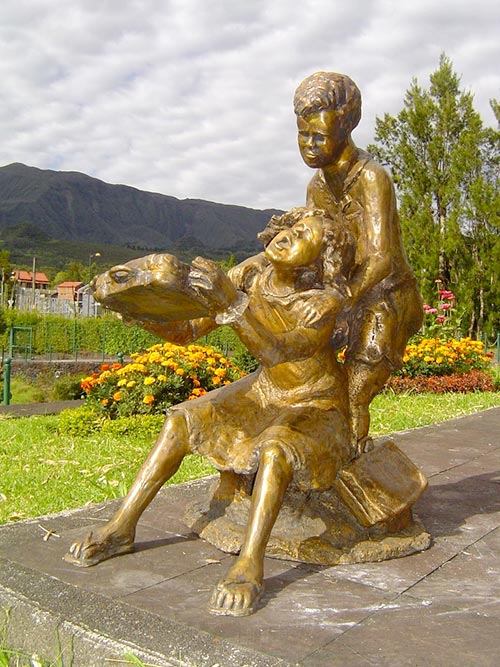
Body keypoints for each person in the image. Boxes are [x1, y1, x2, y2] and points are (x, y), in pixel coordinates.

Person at [65, 207, 356, 617]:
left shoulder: (319, 302)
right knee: (181, 419)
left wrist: (233, 303)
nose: (287, 235)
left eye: (304, 235)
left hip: (315, 400)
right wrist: (142, 311)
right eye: (289, 226)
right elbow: (189, 331)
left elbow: (277, 351)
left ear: (320, 258)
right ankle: (121, 527)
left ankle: (249, 564)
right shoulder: (251, 275)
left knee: (275, 449)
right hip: (266, 390)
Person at [293, 71, 423, 453]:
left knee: (354, 391)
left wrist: (339, 296)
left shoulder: (372, 179)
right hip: (346, 299)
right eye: (303, 135)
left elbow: (382, 259)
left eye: (320, 135)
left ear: (346, 126)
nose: (310, 146)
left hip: (387, 299)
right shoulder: (317, 187)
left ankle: (351, 468)